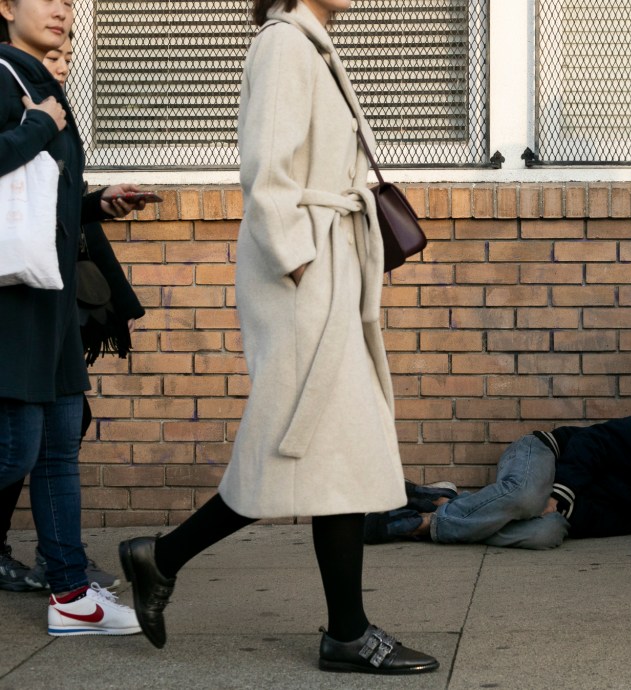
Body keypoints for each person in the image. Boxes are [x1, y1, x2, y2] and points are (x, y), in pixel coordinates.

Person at [117, 0, 439, 675]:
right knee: (311, 443)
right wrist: (303, 261)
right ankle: (339, 632)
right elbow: (267, 171)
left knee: (327, 452)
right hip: (304, 278)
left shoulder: (309, 42)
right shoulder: (284, 43)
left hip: (325, 269)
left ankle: (170, 560)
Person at [0, 0, 151, 635]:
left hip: (52, 302)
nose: (64, 10)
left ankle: (72, 596)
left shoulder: (43, 85)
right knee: (15, 452)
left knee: (60, 449)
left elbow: (37, 203)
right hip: (11, 306)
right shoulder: (8, 81)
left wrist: (96, 204)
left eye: (70, 1)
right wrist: (37, 127)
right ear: (7, 7)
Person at [365, 411, 631, 550]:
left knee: (547, 532)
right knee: (531, 498)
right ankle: (419, 525)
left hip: (561, 500)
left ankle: (442, 503)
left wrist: (567, 513)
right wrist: (562, 493)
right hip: (546, 455)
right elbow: (594, 444)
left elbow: (611, 521)